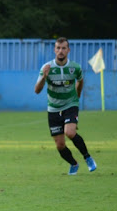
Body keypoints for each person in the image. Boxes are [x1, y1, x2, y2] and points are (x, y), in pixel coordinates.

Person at [34, 37, 97, 175]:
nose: (60, 51)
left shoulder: (75, 67)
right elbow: (37, 90)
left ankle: (88, 157)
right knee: (60, 145)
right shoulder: (47, 68)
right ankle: (74, 164)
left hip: (70, 104)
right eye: (58, 48)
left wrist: (78, 95)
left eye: (63, 48)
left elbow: (80, 81)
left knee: (70, 132)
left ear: (68, 50)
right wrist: (44, 77)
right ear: (54, 50)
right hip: (53, 109)